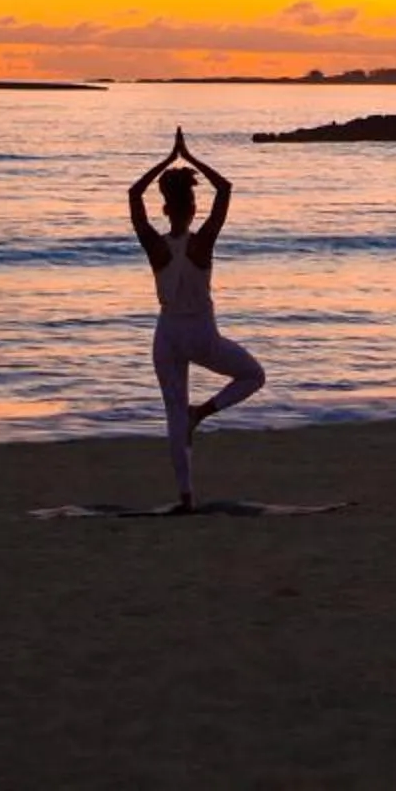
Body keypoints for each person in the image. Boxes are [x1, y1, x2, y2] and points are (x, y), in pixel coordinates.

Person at [128, 129, 264, 510]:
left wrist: (168, 161)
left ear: (167, 209)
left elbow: (133, 196)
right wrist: (189, 156)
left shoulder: (156, 246)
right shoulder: (201, 243)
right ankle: (202, 413)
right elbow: (225, 189)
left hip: (168, 333)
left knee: (173, 412)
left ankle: (186, 497)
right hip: (202, 334)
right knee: (254, 376)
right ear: (192, 210)